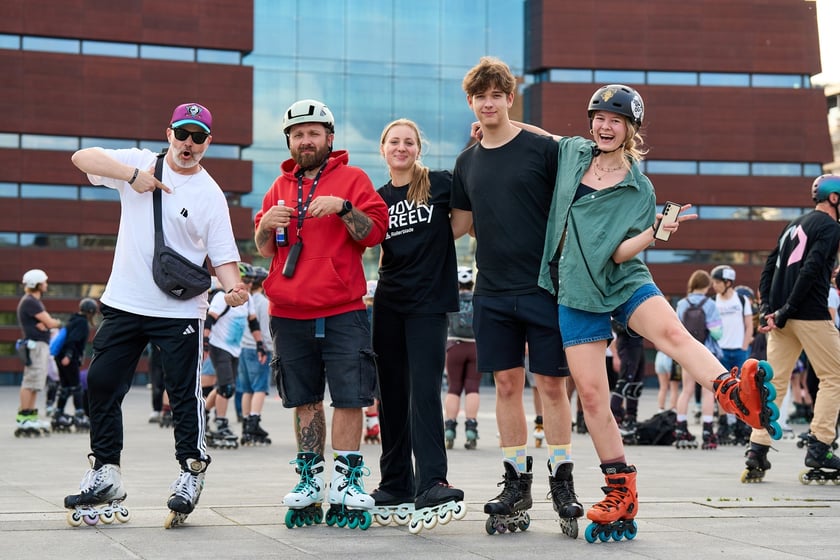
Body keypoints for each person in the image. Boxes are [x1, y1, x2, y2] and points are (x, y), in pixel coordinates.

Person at [534, 84, 782, 540]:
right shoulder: (572, 154)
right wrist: (495, 125)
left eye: (616, 120)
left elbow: (620, 254)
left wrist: (655, 232)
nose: (605, 127)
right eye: (599, 118)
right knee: (591, 396)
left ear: (631, 129)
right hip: (575, 287)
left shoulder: (638, 187)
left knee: (671, 332)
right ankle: (620, 489)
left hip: (623, 278)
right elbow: (534, 135)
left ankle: (734, 394)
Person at [65, 102, 249, 528]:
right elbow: (80, 158)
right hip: (125, 301)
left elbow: (223, 257)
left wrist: (234, 287)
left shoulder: (210, 194)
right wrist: (133, 178)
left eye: (198, 137)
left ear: (208, 143)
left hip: (180, 308)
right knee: (104, 384)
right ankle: (105, 471)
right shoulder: (138, 163)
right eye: (182, 134)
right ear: (169, 133)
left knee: (183, 394)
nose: (189, 143)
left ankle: (191, 470)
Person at [450, 57, 582, 538]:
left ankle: (562, 481)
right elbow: (458, 228)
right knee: (506, 385)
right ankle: (516, 482)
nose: (488, 103)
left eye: (496, 95)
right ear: (471, 102)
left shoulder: (541, 149)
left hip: (543, 287)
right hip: (492, 290)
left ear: (509, 98)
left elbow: (576, 154)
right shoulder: (466, 162)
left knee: (550, 387)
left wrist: (517, 125)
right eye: (479, 96)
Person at [253, 99, 388, 528]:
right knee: (305, 398)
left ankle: (348, 481)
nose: (305, 140)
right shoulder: (277, 186)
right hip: (289, 311)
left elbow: (375, 233)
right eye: (297, 134)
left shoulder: (353, 178)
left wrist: (344, 209)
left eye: (313, 133)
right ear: (289, 141)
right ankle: (310, 478)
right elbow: (265, 247)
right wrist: (263, 224)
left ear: (329, 138)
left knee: (350, 397)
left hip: (343, 308)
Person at [365, 118, 465, 532]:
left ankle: (432, 481)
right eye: (394, 142)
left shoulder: (440, 183)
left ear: (418, 149)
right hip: (388, 303)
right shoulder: (376, 197)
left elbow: (461, 223)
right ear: (383, 148)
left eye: (409, 142)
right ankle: (395, 483)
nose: (401, 147)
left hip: (428, 304)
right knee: (389, 394)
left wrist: (435, 255)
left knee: (423, 392)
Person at [746, 174, 840, 483]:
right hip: (809, 314)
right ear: (834, 199)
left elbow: (769, 267)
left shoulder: (792, 225)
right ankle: (820, 446)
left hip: (781, 317)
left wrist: (768, 311)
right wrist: (786, 310)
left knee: (775, 384)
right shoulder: (829, 227)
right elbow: (812, 269)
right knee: (834, 376)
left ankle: (757, 451)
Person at [203, 262, 265, 449]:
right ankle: (220, 422)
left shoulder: (250, 300)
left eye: (250, 281)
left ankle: (202, 414)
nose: (247, 284)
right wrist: (205, 344)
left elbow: (253, 323)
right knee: (227, 387)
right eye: (244, 280)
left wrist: (260, 345)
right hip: (218, 346)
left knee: (224, 386)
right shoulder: (222, 297)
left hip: (235, 349)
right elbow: (209, 320)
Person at [674, 270, 723, 450]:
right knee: (708, 392)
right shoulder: (710, 304)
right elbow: (718, 333)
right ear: (707, 285)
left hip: (686, 353)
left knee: (686, 391)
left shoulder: (681, 304)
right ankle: (708, 431)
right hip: (706, 353)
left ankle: (681, 428)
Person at [15, 269, 61, 437]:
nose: (46, 284)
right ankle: (23, 418)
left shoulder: (32, 302)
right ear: (37, 284)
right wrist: (51, 323)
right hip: (35, 348)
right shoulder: (31, 302)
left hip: (38, 346)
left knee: (35, 383)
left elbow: (47, 324)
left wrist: (47, 325)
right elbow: (50, 322)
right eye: (44, 282)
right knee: (29, 382)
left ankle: (30, 416)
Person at [711, 265, 754, 444]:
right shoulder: (713, 302)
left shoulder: (741, 300)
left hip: (738, 351)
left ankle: (740, 424)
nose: (714, 285)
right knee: (722, 389)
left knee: (742, 389)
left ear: (728, 282)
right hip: (720, 351)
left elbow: (749, 325)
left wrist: (744, 347)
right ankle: (723, 425)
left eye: (717, 282)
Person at [444, 266, 481, 450]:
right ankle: (471, 429)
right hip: (475, 346)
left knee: (454, 387)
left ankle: (449, 428)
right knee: (472, 387)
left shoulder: (451, 297)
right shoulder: (477, 299)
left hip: (454, 346)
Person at [50, 298, 99, 433]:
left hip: (59, 356)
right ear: (90, 312)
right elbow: (73, 340)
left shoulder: (73, 319)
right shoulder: (82, 322)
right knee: (76, 387)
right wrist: (69, 355)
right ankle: (79, 416)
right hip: (67, 358)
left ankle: (58, 414)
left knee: (65, 387)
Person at [237, 265, 273, 446]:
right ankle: (254, 421)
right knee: (260, 388)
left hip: (243, 347)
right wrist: (269, 347)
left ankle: (245, 423)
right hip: (258, 349)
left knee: (246, 389)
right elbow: (265, 330)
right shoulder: (263, 302)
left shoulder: (245, 300)